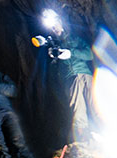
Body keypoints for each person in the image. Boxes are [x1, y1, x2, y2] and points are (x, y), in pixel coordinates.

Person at [34, 9, 94, 142]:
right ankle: (84, 141)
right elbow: (52, 73)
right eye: (51, 26)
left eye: (55, 23)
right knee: (78, 111)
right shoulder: (51, 46)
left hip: (85, 74)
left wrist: (71, 52)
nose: (54, 28)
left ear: (61, 22)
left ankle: (104, 133)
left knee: (95, 103)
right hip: (70, 78)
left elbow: (89, 54)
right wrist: (53, 58)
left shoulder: (74, 38)